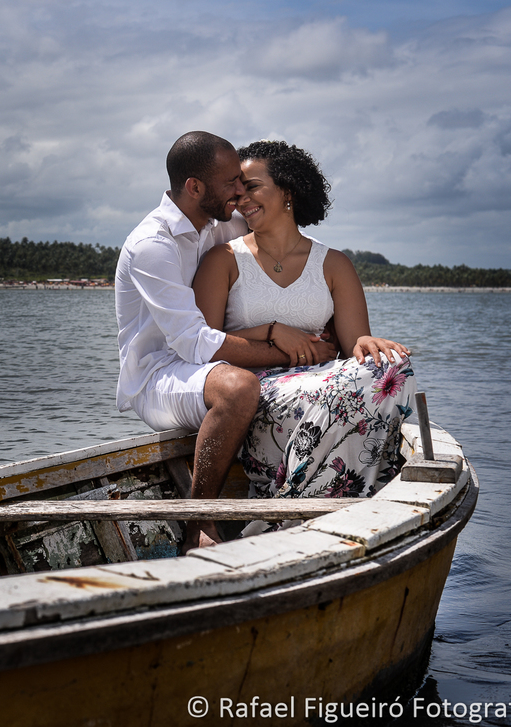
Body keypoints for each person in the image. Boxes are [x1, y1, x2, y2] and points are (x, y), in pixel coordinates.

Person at [115, 132, 339, 551]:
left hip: (208, 364)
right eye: (231, 182)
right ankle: (198, 524)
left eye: (242, 179)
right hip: (158, 376)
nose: (241, 191)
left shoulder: (224, 222)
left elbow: (273, 240)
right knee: (239, 389)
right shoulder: (152, 245)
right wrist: (292, 350)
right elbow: (191, 342)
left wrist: (315, 330)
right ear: (194, 187)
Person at [192, 140, 415, 528]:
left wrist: (368, 344)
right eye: (238, 189)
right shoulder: (223, 260)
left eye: (253, 186)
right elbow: (203, 349)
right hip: (254, 393)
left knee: (393, 368)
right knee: (343, 389)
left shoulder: (333, 264)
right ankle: (295, 514)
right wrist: (273, 335)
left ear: (288, 191)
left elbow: (353, 345)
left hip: (322, 385)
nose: (242, 198)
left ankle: (317, 500)